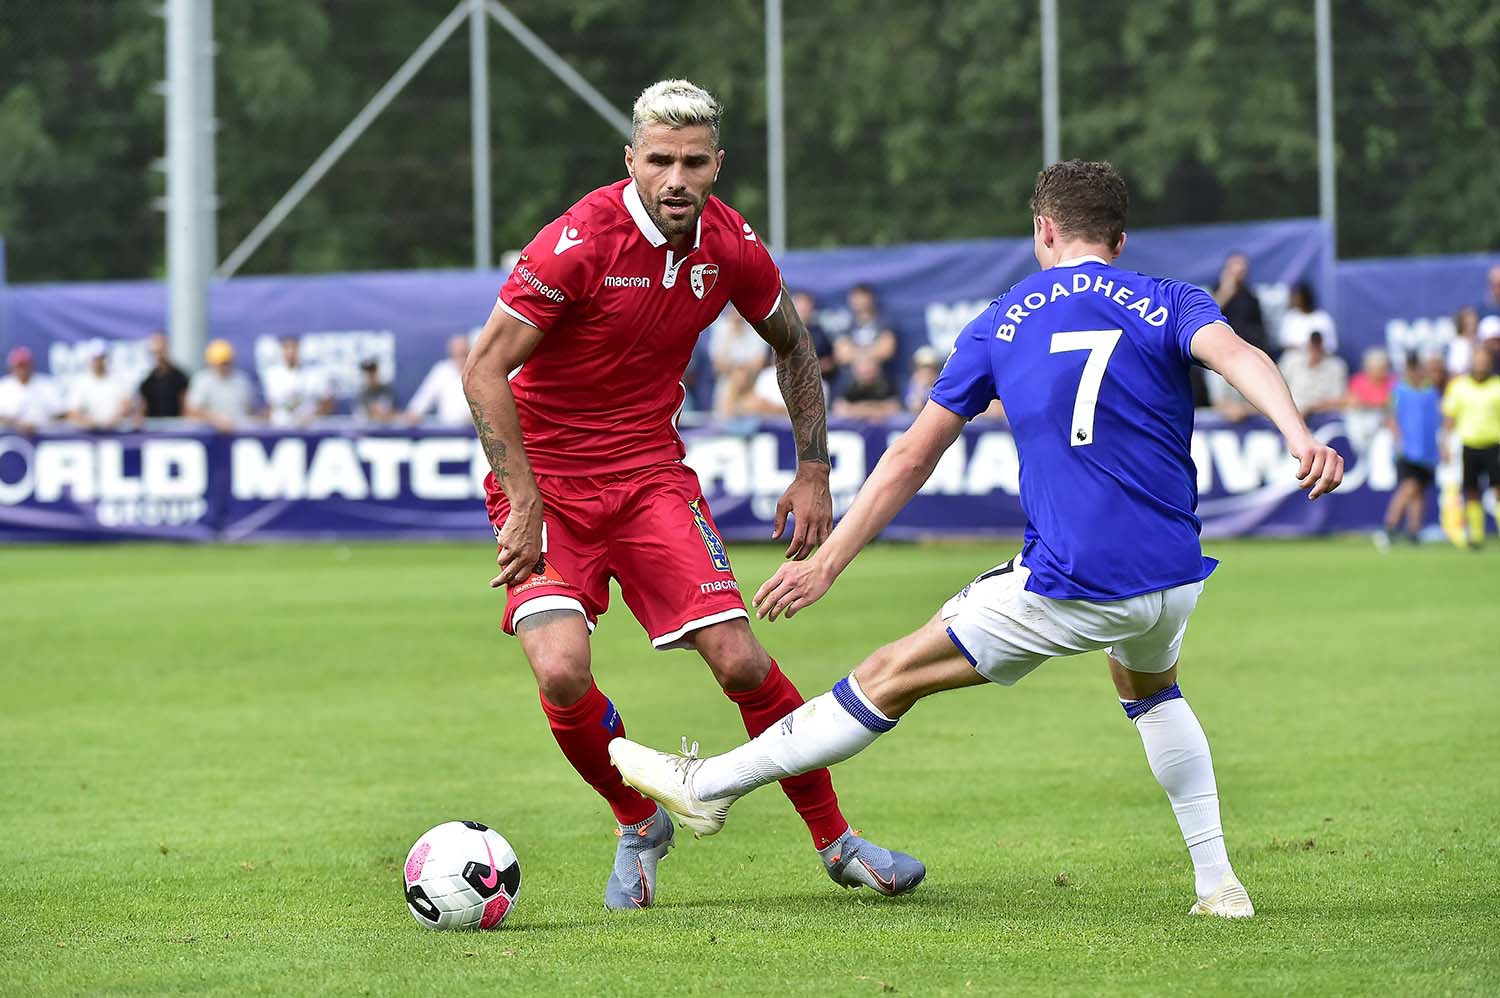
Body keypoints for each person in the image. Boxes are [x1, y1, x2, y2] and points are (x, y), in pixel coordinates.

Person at [609, 160, 1345, 921]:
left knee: (887, 674)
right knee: (1152, 691)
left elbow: (911, 457)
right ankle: (1218, 886)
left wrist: (828, 561)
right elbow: (1243, 357)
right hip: (1174, 576)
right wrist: (1298, 434)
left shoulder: (1005, 318)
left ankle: (710, 788)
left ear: (1044, 230)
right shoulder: (1169, 299)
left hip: (1074, 581)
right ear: (1119, 241)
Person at [460, 79, 923, 911]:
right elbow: (484, 366)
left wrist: (813, 470)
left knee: (741, 658)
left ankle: (838, 842)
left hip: (648, 478)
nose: (676, 178)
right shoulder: (578, 241)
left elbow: (794, 343)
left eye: (694, 161)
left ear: (717, 165)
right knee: (562, 672)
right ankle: (637, 819)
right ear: (631, 160)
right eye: (660, 160)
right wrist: (523, 499)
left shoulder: (732, 246)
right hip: (548, 486)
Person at [1377, 354, 1444, 549]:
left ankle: (1414, 530)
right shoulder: (1398, 390)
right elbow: (1390, 416)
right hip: (1407, 449)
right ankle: (1389, 527)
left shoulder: (1430, 391)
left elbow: (1437, 419)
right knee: (1410, 486)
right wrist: (1398, 438)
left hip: (1428, 450)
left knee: (1420, 491)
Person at [1441, 345, 1500, 548]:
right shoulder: (1459, 386)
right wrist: (1445, 443)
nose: (1481, 364)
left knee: (1498, 489)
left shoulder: (1497, 386)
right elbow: (1450, 418)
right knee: (1472, 490)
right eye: (1478, 359)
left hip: (1494, 444)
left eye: (1485, 360)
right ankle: (1476, 536)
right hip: (1470, 445)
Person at [832, 284, 898, 389]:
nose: (860, 302)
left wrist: (857, 355)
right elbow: (842, 355)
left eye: (863, 297)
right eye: (856, 298)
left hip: (882, 384)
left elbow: (887, 351)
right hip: (849, 385)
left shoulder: (885, 322)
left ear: (871, 298)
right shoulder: (844, 324)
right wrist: (870, 355)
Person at [185, 339, 256, 432]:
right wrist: (215, 420)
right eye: (221, 363)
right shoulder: (203, 380)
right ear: (211, 362)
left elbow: (250, 410)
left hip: (239, 436)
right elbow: (192, 411)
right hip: (209, 437)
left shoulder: (242, 380)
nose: (224, 366)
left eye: (226, 362)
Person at [261, 336, 333, 427]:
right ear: (281, 351)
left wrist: (314, 416)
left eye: (294, 348)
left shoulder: (313, 374)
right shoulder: (272, 375)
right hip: (281, 428)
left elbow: (328, 402)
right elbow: (271, 406)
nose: (291, 352)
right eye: (286, 348)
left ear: (300, 350)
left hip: (310, 428)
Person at [708, 308, 768, 416]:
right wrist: (730, 333)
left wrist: (741, 372)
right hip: (726, 385)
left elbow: (758, 363)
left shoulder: (758, 328)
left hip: (751, 385)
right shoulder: (721, 328)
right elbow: (719, 365)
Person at [405, 334, 473, 426]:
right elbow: (419, 405)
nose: (460, 357)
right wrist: (414, 415)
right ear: (451, 353)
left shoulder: (480, 372)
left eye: (463, 353)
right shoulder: (442, 371)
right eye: (457, 353)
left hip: (475, 435)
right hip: (446, 434)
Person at [66, 342, 133, 431]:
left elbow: (126, 406)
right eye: (95, 359)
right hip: (89, 434)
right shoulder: (80, 383)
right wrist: (90, 423)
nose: (98, 362)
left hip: (115, 432)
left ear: (106, 359)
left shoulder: (118, 380)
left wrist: (112, 422)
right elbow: (73, 412)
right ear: (90, 360)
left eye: (101, 358)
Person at [1278, 331, 1348, 415]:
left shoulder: (1336, 367)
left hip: (1320, 416)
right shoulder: (1291, 360)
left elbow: (1338, 400)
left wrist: (1310, 409)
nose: (1315, 349)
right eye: (1313, 344)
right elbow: (1277, 387)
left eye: (1318, 345)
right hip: (1288, 411)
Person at [1212, 252, 1268, 353]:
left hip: (1245, 347)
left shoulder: (1250, 297)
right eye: (1237, 265)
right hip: (1221, 346)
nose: (1241, 269)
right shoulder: (1217, 291)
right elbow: (1211, 314)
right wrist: (1226, 291)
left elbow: (1260, 329)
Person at [0, 346, 65, 433]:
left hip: (46, 437)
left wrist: (38, 424)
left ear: (32, 365)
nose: (23, 369)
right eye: (19, 365)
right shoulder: (3, 386)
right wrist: (17, 424)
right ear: (11, 367)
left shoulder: (46, 384)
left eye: (25, 364)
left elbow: (61, 413)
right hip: (9, 439)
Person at [137, 332, 189, 419]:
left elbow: (185, 407)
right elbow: (143, 408)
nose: (159, 354)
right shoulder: (147, 380)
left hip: (176, 428)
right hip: (152, 429)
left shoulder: (180, 377)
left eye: (161, 350)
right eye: (156, 352)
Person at [833, 356, 902, 420]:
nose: (867, 375)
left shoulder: (886, 384)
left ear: (877, 370)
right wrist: (876, 409)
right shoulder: (847, 385)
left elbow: (894, 408)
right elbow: (839, 409)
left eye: (869, 371)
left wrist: (858, 409)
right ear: (856, 371)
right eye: (864, 372)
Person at [791, 290, 837, 387]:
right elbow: (770, 361)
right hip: (786, 377)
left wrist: (806, 368)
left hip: (815, 379)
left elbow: (831, 362)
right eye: (799, 308)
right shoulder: (782, 332)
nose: (802, 312)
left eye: (805, 308)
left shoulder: (820, 333)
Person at [1277, 282, 1337, 354]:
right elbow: (1284, 342)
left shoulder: (1323, 318)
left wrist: (1315, 352)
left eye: (1297, 297)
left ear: (1306, 297)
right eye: (1294, 297)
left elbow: (1331, 345)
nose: (1294, 300)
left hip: (1320, 358)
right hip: (1295, 357)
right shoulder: (1290, 317)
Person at [353, 358, 397, 424]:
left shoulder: (386, 391)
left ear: (377, 372)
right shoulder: (362, 394)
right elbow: (366, 413)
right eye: (367, 373)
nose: (370, 376)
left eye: (372, 372)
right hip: (365, 431)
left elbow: (387, 414)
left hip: (385, 430)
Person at [905, 346, 942, 414]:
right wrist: (921, 388)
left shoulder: (940, 386)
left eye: (931, 371)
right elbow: (915, 407)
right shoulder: (913, 386)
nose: (927, 375)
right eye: (922, 371)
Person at [1447, 307, 1479, 378]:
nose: (1472, 325)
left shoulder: (1479, 341)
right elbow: (1455, 372)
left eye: (1474, 322)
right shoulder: (1458, 344)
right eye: (1469, 323)